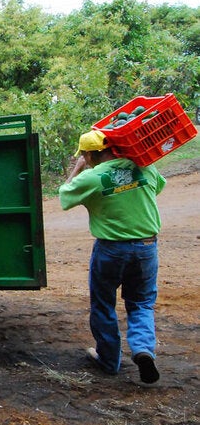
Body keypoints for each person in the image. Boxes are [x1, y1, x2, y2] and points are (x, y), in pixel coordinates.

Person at [59, 129, 165, 384]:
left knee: (104, 303)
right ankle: (142, 349)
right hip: (146, 247)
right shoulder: (142, 166)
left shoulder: (92, 177)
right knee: (141, 302)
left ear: (88, 154)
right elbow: (157, 187)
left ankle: (108, 360)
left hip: (111, 250)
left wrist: (79, 169)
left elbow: (64, 195)